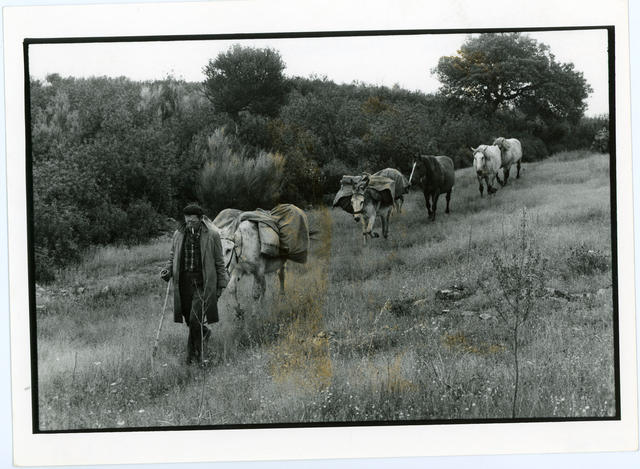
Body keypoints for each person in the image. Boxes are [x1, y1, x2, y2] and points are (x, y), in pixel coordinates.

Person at [160, 203, 229, 364]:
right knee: (189, 319)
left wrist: (221, 284)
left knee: (194, 319)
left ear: (201, 219)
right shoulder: (178, 234)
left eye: (193, 220)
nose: (189, 223)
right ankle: (204, 334)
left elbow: (219, 261)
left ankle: (194, 357)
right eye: (187, 220)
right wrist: (167, 270)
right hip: (183, 284)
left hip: (202, 284)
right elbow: (173, 257)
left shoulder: (212, 235)